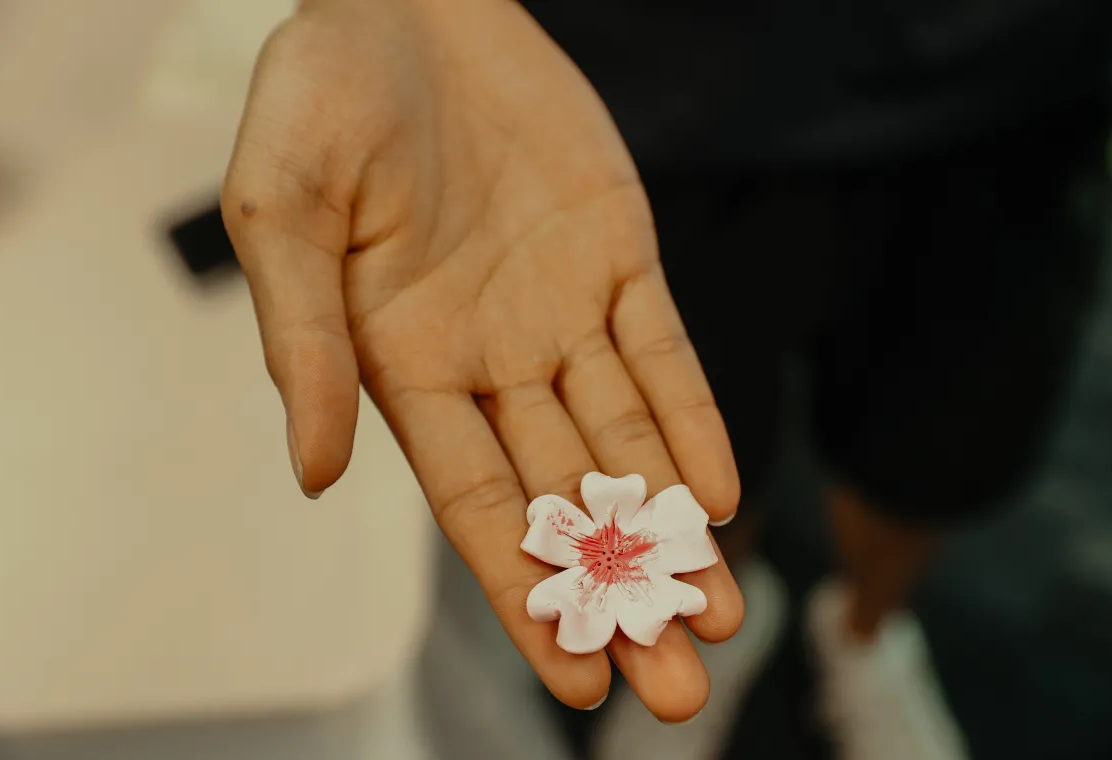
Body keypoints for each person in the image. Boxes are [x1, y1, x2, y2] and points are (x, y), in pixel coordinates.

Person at [221, 1, 1112, 757]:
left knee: (938, 451)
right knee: (699, 445)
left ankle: (867, 633)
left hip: (1012, 87)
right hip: (647, 98)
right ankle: (733, 628)